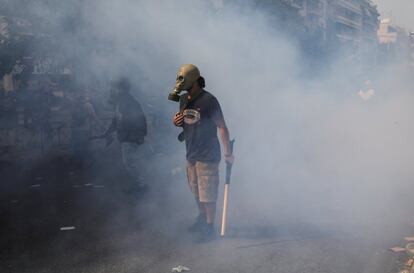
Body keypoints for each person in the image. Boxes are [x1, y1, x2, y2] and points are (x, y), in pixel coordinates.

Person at [172, 64, 234, 242]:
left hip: (208, 155)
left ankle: (209, 226)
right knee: (196, 191)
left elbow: (221, 126)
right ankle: (201, 218)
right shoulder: (183, 99)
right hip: (191, 152)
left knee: (208, 193)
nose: (179, 83)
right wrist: (177, 121)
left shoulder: (209, 100)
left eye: (183, 79)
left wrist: (228, 153)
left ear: (193, 80)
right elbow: (186, 122)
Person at [104, 77, 148, 194]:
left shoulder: (130, 103)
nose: (112, 90)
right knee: (129, 162)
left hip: (130, 138)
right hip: (126, 138)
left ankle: (141, 185)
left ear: (121, 89)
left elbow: (139, 121)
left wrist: (137, 137)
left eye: (114, 88)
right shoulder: (122, 102)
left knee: (129, 163)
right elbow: (116, 119)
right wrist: (108, 132)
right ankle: (137, 184)